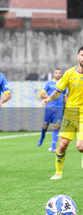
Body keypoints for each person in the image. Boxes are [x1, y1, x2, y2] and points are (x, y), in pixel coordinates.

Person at [45, 46, 83, 180]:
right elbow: (58, 92)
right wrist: (49, 98)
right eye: (82, 55)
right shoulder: (69, 73)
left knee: (80, 146)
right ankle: (58, 173)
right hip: (71, 113)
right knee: (62, 145)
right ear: (78, 57)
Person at [37, 68, 67, 152]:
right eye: (56, 73)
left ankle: (53, 147)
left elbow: (65, 97)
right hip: (49, 108)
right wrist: (50, 97)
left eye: (60, 73)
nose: (58, 74)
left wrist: (68, 105)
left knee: (56, 127)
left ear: (61, 75)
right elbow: (42, 95)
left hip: (59, 109)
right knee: (45, 126)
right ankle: (42, 137)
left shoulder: (63, 84)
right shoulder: (49, 84)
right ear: (54, 74)